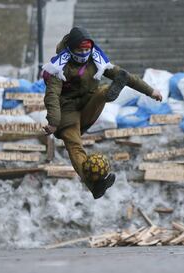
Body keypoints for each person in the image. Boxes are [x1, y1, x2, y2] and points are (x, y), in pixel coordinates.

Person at [42, 26, 162, 199]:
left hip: (89, 104)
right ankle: (96, 186)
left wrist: (150, 91)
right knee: (75, 147)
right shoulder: (58, 67)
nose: (84, 53)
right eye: (80, 50)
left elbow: (125, 76)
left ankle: (110, 93)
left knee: (103, 90)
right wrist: (53, 122)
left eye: (86, 49)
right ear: (71, 49)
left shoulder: (96, 59)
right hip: (67, 112)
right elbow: (52, 95)